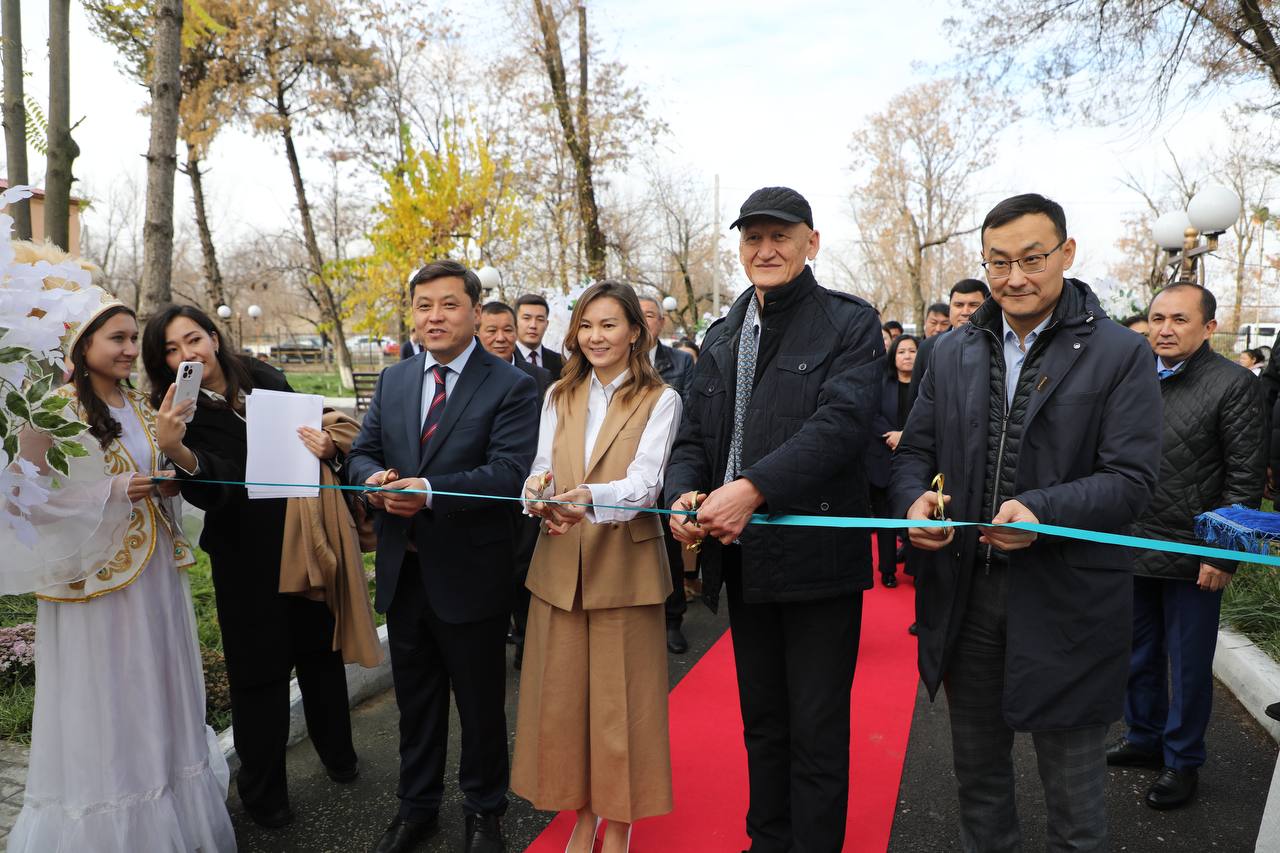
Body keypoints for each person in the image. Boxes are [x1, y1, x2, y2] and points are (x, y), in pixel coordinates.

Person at [892, 193, 1162, 852]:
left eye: (1032, 259)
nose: (1014, 277)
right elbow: (917, 450)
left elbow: (1132, 479)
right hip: (968, 593)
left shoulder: (1121, 352)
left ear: (1067, 254)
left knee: (1074, 797)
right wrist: (912, 503)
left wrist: (1046, 511)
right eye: (999, 262)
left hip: (1066, 598)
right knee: (979, 780)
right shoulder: (952, 351)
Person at [666, 186, 883, 853]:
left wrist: (753, 487)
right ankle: (767, 840)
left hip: (816, 564)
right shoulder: (724, 331)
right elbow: (695, 435)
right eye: (753, 238)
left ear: (810, 243)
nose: (765, 249)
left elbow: (840, 425)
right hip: (744, 563)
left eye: (780, 236)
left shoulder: (850, 323)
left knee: (816, 728)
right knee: (762, 721)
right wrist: (684, 493)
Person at [9, 277, 236, 853]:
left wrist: (166, 478)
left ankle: (170, 818)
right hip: (96, 587)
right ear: (82, 344)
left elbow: (165, 476)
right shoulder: (53, 412)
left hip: (155, 576)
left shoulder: (142, 404)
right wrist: (110, 491)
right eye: (118, 338)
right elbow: (20, 497)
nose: (132, 349)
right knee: (112, 700)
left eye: (135, 338)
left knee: (157, 692)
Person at [347, 260, 539, 853]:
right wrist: (373, 479)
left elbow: (509, 475)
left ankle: (485, 813)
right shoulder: (395, 380)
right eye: (424, 305)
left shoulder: (512, 385)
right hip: (406, 573)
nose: (435, 316)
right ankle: (417, 808)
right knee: (417, 704)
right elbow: (360, 453)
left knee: (480, 706)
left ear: (476, 313)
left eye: (449, 304)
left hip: (473, 573)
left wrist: (427, 493)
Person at [143, 304, 359, 829]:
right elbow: (216, 486)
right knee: (257, 676)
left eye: (193, 339)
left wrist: (328, 446)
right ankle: (264, 797)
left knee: (320, 659)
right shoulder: (174, 410)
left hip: (301, 538)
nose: (185, 355)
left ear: (214, 337)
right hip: (243, 554)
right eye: (170, 350)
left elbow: (310, 441)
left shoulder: (265, 378)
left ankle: (341, 758)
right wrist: (177, 450)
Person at [513, 280, 681, 853]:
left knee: (622, 709)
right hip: (559, 566)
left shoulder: (661, 399)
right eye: (586, 325)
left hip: (626, 570)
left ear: (636, 331)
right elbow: (539, 468)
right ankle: (581, 816)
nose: (595, 336)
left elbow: (646, 483)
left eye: (609, 324)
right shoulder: (559, 394)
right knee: (564, 707)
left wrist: (586, 497)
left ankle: (621, 821)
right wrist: (536, 494)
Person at [1107, 284, 1265, 809]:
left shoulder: (1235, 385)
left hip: (1195, 552)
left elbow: (1243, 480)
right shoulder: (1132, 377)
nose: (1164, 329)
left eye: (1179, 319)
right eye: (1157, 318)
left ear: (1208, 328)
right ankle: (1144, 738)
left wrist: (1223, 553)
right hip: (1132, 542)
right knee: (1137, 653)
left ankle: (1182, 761)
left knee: (1189, 663)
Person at [478, 299, 551, 672]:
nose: (501, 337)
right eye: (491, 330)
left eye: (507, 329)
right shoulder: (469, 381)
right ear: (478, 330)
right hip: (481, 493)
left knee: (524, 569)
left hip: (525, 494)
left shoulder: (538, 380)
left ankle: (526, 641)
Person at [637, 294, 696, 654]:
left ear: (661, 322)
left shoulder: (680, 362)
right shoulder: (617, 361)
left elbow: (687, 414)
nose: (644, 323)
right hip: (625, 467)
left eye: (649, 316)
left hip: (669, 463)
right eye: (636, 316)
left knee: (668, 547)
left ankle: (673, 619)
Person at [867, 334, 917, 588]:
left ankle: (915, 565)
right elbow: (870, 413)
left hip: (917, 461)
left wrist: (905, 436)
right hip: (882, 458)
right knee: (886, 520)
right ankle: (887, 569)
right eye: (901, 351)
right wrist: (891, 436)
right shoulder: (881, 383)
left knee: (915, 516)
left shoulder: (925, 384)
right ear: (893, 356)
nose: (907, 356)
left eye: (912, 351)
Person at [907, 279, 989, 408]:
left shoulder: (997, 343)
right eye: (959, 305)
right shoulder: (928, 346)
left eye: (973, 305)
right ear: (950, 307)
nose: (965, 311)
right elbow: (916, 399)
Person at [515, 292, 564, 379]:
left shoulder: (560, 361)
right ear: (515, 322)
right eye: (527, 318)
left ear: (547, 324)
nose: (533, 325)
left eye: (540, 319)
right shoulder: (507, 359)